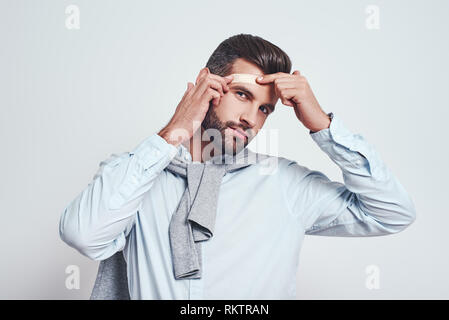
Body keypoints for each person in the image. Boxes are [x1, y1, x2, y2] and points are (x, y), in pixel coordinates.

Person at [59, 33, 416, 300]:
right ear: (207, 84)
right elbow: (82, 234)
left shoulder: (286, 185)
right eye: (242, 95)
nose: (250, 118)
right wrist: (172, 133)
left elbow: (392, 213)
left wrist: (321, 124)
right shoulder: (135, 176)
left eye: (264, 109)